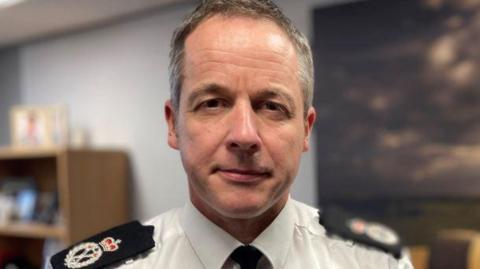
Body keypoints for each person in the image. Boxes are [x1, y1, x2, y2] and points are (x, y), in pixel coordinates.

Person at [51, 0, 414, 268]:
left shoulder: (375, 261)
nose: (244, 135)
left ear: (305, 130)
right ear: (173, 123)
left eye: (272, 106)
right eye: (213, 103)